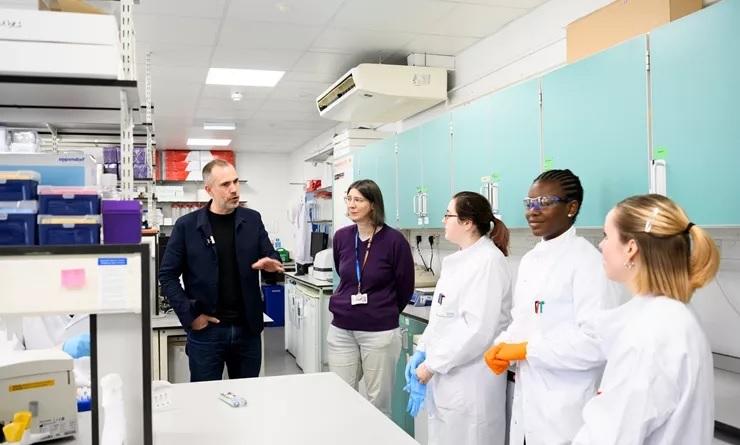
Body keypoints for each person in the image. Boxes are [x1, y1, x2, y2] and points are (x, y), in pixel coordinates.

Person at [483, 169, 622, 445]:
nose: (532, 211)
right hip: (528, 407)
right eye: (529, 203)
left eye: (544, 202)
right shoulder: (531, 260)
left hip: (565, 412)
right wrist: (502, 346)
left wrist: (527, 349)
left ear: (572, 207)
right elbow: (522, 320)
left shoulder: (587, 262)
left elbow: (596, 342)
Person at [572, 194, 719, 444]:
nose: (601, 245)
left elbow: (610, 437)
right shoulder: (671, 315)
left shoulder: (650, 334)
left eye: (607, 235)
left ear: (631, 248)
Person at [159, 159, 283, 382]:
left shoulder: (252, 220)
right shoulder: (187, 226)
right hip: (207, 332)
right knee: (204, 400)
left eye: (235, 181)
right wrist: (191, 316)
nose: (234, 189)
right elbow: (167, 276)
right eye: (225, 184)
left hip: (247, 330)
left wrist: (272, 266)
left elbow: (271, 259)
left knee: (248, 397)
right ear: (209, 190)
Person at [406, 191, 513, 445]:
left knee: (470, 436)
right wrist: (423, 350)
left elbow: (477, 331)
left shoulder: (488, 262)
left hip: (471, 382)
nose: (443, 220)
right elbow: (441, 316)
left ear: (467, 222)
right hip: (448, 376)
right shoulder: (459, 261)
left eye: (448, 215)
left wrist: (432, 365)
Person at [328, 179, 415, 416]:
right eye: (349, 199)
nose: (351, 205)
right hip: (342, 329)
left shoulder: (394, 241)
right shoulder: (342, 237)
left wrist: (381, 311)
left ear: (373, 205)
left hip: (379, 332)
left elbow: (405, 286)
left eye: (358, 200)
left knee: (378, 403)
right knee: (341, 396)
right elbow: (343, 274)